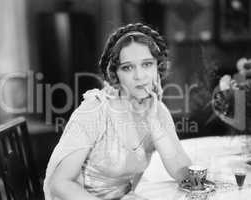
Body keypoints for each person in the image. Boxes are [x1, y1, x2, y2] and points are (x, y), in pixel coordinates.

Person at [43, 23, 192, 200]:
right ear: (115, 73)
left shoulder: (157, 111)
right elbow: (60, 184)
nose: (140, 76)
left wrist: (154, 124)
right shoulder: (95, 111)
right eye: (127, 67)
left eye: (147, 64)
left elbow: (186, 177)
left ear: (157, 69)